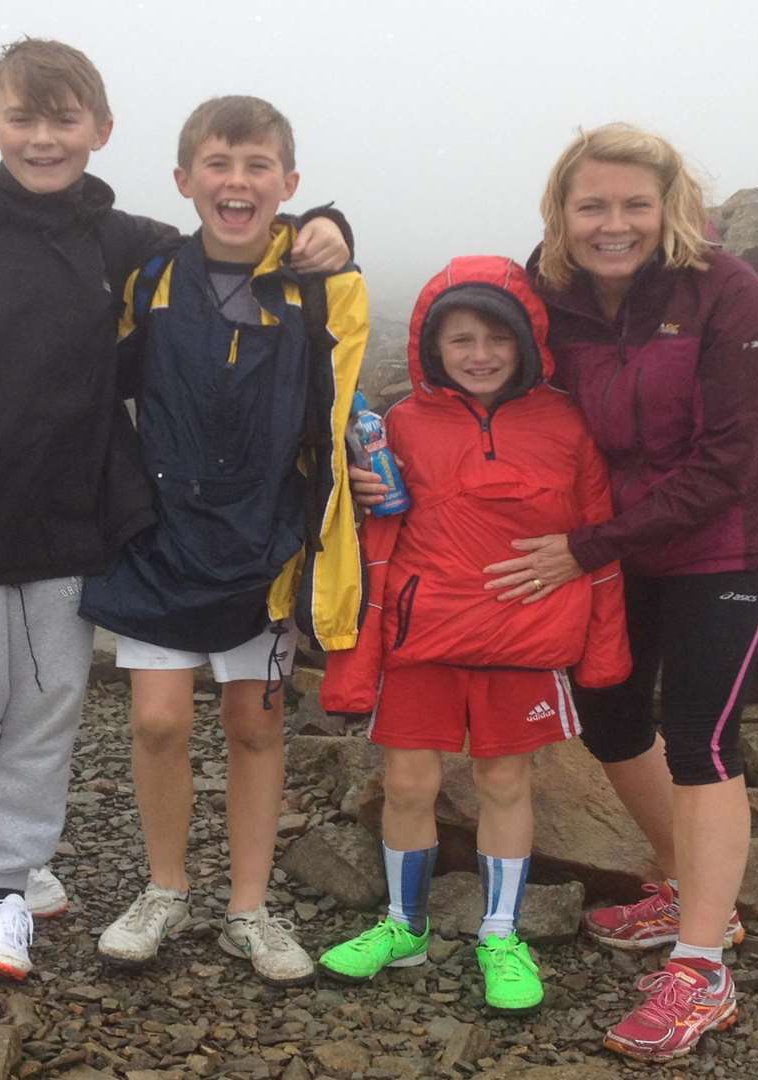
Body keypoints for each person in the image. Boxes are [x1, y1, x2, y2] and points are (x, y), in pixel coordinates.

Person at [0, 41, 348, 981]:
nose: (45, 138)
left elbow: (233, 243)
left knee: (49, 709)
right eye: (24, 118)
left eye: (66, 121)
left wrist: (323, 224)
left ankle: (5, 887)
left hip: (75, 521)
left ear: (101, 132)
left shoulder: (122, 245)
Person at [352, 124, 758, 1060]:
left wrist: (582, 547)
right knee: (611, 714)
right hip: (607, 540)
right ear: (562, 211)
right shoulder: (551, 289)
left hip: (720, 543)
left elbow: (732, 459)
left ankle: (702, 965)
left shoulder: (727, 290)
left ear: (672, 204)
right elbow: (475, 350)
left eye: (636, 204)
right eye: (593, 205)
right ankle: (684, 884)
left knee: (703, 735)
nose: (614, 224)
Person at [80, 95, 368, 987]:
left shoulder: (331, 287)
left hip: (267, 541)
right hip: (161, 535)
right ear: (183, 180)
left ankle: (250, 906)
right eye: (217, 165)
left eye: (256, 168)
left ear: (288, 183)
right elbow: (91, 383)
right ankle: (165, 888)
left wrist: (331, 236)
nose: (235, 183)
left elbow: (336, 413)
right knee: (159, 720)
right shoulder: (152, 277)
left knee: (254, 725)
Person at [315, 256, 630, 1014]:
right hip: (423, 638)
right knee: (408, 783)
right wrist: (359, 497)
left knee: (505, 783)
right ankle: (402, 925)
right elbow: (375, 542)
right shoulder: (398, 425)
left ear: (527, 342)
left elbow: (598, 540)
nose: (480, 354)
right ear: (432, 345)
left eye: (497, 337)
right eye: (461, 339)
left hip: (525, 640)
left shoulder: (567, 424)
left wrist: (604, 650)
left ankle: (500, 931)